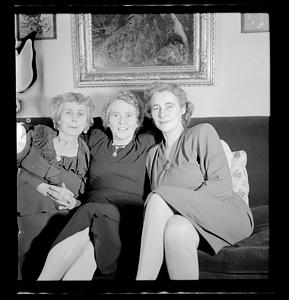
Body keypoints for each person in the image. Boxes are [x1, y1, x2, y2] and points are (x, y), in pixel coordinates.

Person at [136, 82, 254, 280]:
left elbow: (221, 186)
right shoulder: (152, 155)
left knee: (158, 197)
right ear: (151, 114)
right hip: (186, 222)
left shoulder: (202, 132)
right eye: (156, 108)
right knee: (176, 228)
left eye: (169, 106)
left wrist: (174, 202)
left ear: (183, 108)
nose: (162, 113)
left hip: (226, 213)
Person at [37, 90, 156, 280]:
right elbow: (65, 138)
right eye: (116, 115)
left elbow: (173, 130)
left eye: (129, 115)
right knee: (87, 250)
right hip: (94, 216)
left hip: (126, 213)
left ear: (138, 121)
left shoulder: (146, 142)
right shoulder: (96, 138)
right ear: (107, 120)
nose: (122, 121)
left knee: (90, 210)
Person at [17, 92, 94, 280]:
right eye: (68, 112)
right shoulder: (39, 135)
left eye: (81, 114)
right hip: (26, 207)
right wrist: (40, 186)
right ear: (58, 120)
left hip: (61, 216)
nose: (74, 119)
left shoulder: (85, 153)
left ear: (87, 124)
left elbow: (84, 196)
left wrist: (72, 204)